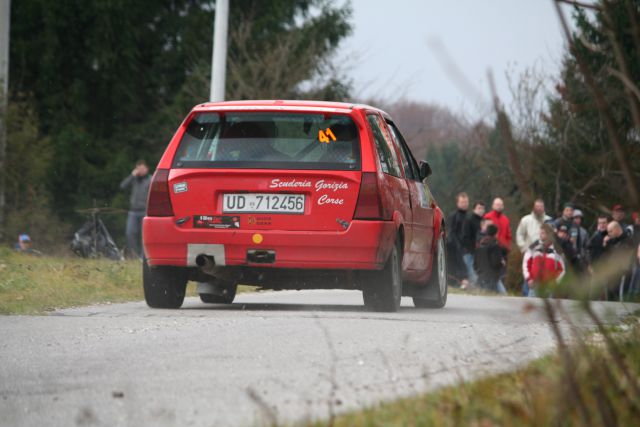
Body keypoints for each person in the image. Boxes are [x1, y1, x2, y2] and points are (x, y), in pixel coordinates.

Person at [516, 199, 551, 295]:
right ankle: (526, 297)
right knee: (528, 275)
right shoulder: (525, 220)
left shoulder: (549, 220)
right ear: (534, 207)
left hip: (546, 253)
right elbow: (519, 234)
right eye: (537, 206)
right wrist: (523, 248)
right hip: (530, 253)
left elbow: (553, 236)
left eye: (541, 206)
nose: (539, 208)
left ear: (544, 207)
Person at [522, 224, 566, 298]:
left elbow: (562, 270)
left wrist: (555, 282)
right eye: (540, 233)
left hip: (549, 288)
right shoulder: (534, 247)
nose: (540, 235)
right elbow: (526, 263)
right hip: (534, 285)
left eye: (543, 233)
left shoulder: (557, 250)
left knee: (547, 309)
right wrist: (529, 279)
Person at [120, 160, 151, 258]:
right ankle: (134, 256)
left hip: (145, 212)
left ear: (147, 169)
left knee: (145, 235)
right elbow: (123, 186)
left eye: (142, 168)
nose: (140, 171)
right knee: (129, 233)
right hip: (133, 211)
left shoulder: (151, 179)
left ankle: (143, 257)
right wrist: (132, 175)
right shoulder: (134, 179)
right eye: (138, 169)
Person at [602, 221, 636, 301]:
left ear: (616, 229)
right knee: (610, 295)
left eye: (611, 231)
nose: (609, 234)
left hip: (623, 273)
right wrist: (605, 244)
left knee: (620, 297)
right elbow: (607, 255)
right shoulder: (612, 240)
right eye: (608, 232)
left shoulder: (628, 239)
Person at [473, 224, 506, 293]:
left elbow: (475, 265)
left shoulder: (479, 246)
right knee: (501, 297)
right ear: (496, 234)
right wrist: (502, 263)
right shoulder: (495, 246)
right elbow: (495, 262)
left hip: (480, 278)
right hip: (492, 279)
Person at [446, 192, 469, 287]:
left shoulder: (468, 216)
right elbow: (451, 233)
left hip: (466, 247)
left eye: (466, 202)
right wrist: (457, 246)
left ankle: (464, 282)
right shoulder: (454, 216)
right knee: (459, 266)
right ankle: (459, 282)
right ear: (458, 203)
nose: (465, 204)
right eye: (462, 202)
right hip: (456, 247)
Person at [461, 201, 485, 286]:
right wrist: (471, 249)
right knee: (471, 272)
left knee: (476, 272)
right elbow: (465, 237)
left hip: (478, 253)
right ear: (474, 209)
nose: (481, 210)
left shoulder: (483, 221)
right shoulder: (469, 220)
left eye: (482, 208)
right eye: (479, 208)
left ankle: (475, 288)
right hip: (469, 252)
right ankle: (475, 289)